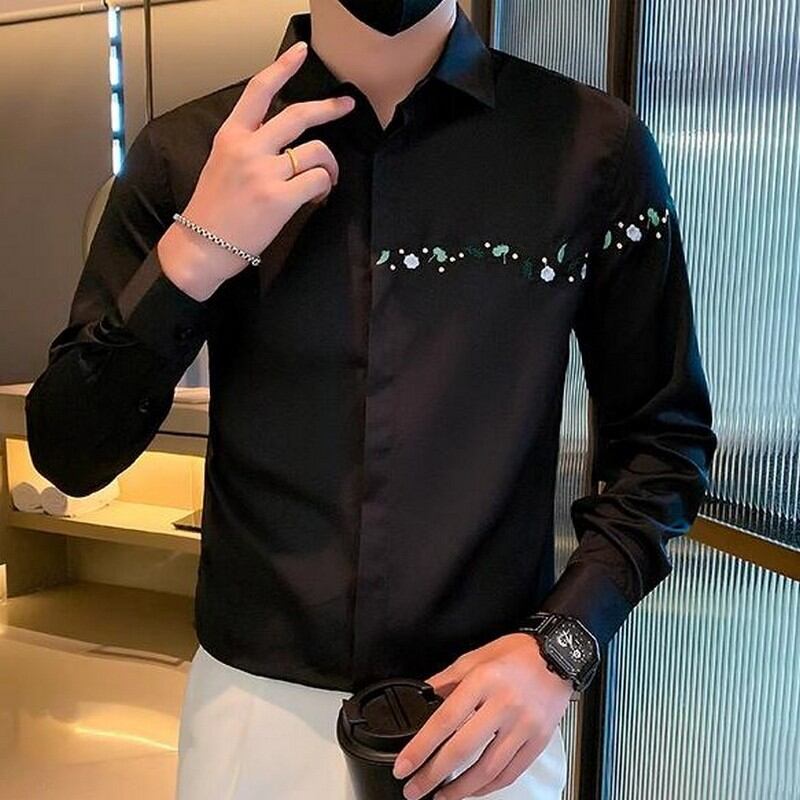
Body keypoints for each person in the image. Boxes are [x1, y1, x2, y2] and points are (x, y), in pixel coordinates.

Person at [24, 0, 718, 798]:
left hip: (487, 712)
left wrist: (563, 644)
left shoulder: (593, 147)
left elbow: (664, 441)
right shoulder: (188, 153)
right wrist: (196, 251)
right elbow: (70, 451)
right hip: (252, 713)